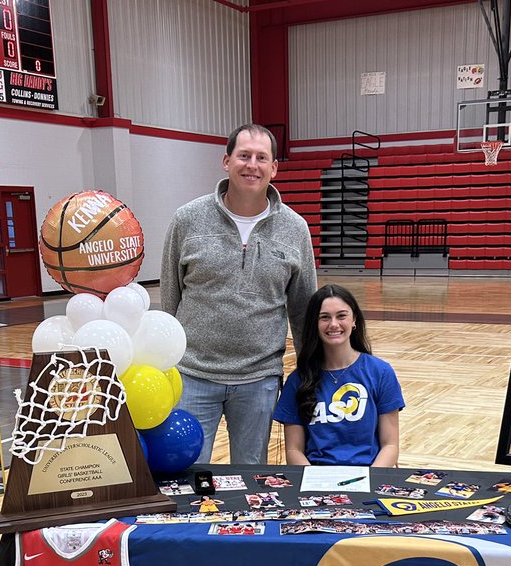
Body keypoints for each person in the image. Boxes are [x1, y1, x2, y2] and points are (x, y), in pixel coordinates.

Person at [161, 123, 317, 465]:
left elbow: (304, 308)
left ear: (274, 168)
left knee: (251, 477)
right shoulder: (187, 219)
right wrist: (165, 362)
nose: (252, 165)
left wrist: (311, 370)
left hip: (259, 379)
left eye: (262, 158)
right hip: (191, 374)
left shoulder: (295, 228)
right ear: (226, 161)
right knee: (186, 472)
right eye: (244, 155)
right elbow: (170, 296)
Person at [272, 285, 403, 467]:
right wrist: (316, 483)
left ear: (354, 319)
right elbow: (294, 450)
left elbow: (390, 445)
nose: (333, 324)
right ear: (314, 324)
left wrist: (369, 482)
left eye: (341, 316)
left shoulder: (380, 373)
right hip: (317, 479)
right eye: (324, 317)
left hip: (368, 476)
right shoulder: (298, 380)